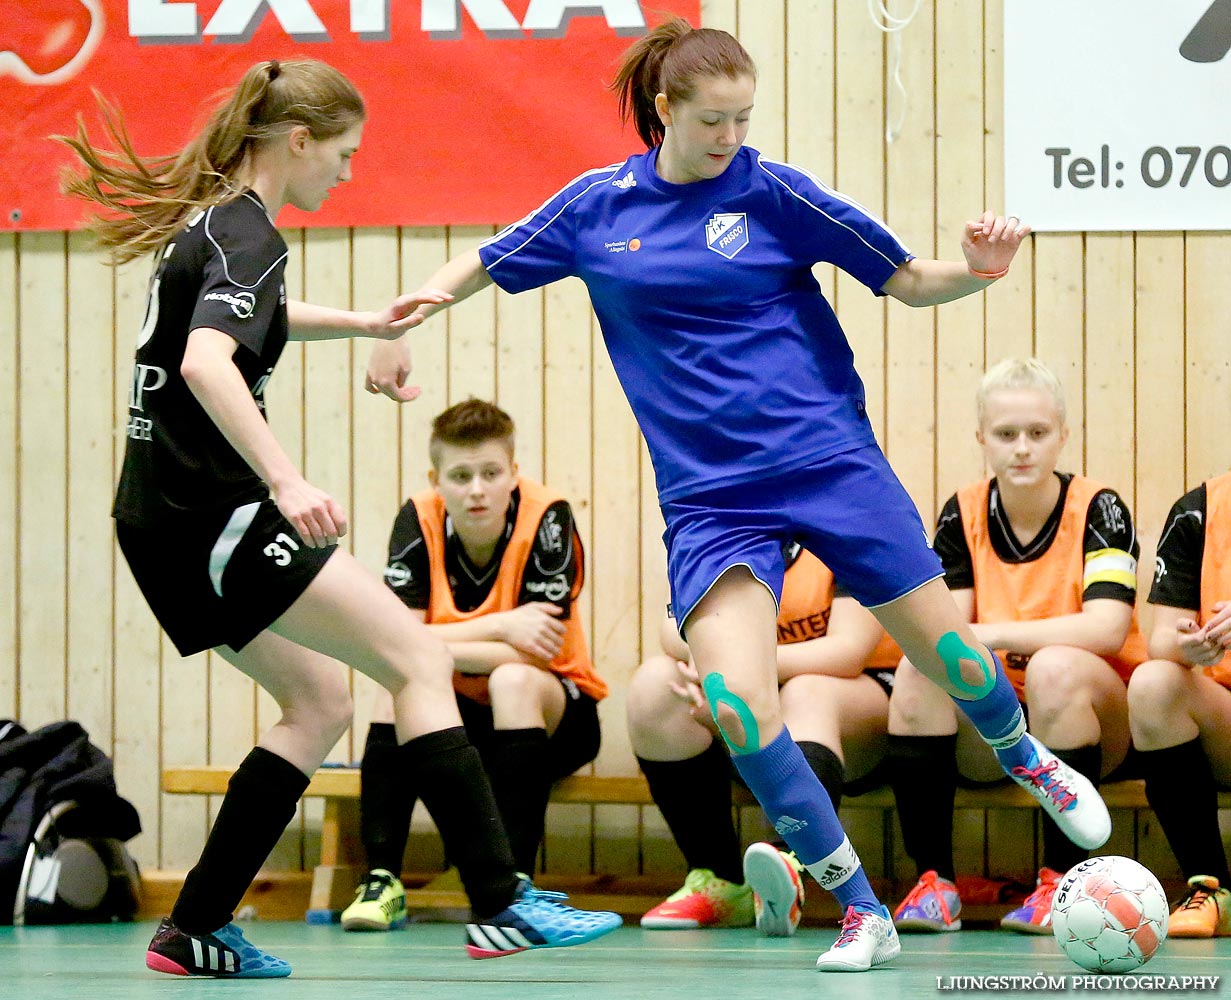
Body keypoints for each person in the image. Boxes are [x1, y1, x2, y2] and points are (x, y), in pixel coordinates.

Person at [366, 21, 1112, 972]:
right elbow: (482, 258)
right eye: (712, 119)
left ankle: (1026, 760)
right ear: (663, 111)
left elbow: (910, 278)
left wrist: (975, 270)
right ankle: (857, 907)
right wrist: (402, 320)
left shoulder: (774, 191)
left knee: (947, 649)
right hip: (711, 500)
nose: (729, 136)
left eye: (743, 118)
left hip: (828, 461)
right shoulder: (597, 208)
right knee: (735, 703)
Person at [57, 58, 619, 978]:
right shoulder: (249, 233)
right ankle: (500, 900)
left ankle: (193, 924)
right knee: (419, 658)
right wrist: (284, 480)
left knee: (318, 700)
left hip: (162, 519)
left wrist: (367, 324)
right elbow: (207, 362)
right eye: (344, 154)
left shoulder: (217, 226)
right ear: (299, 139)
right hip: (212, 515)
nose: (349, 173)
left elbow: (253, 322)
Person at [886, 358, 1145, 936]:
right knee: (916, 670)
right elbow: (950, 635)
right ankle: (934, 884)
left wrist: (996, 634)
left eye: (1037, 433)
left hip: (1103, 720)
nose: (1022, 448)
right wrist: (972, 641)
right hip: (1004, 721)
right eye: (1006, 435)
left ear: (1063, 435)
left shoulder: (1100, 506)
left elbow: (1106, 628)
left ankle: (1063, 882)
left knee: (1055, 668)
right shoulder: (964, 510)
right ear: (983, 440)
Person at [341, 398, 607, 931]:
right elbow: (393, 645)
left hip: (555, 714)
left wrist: (427, 644)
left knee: (511, 677)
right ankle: (382, 880)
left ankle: (513, 885)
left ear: (514, 474)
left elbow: (534, 653)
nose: (477, 489)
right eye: (460, 476)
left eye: (491, 473)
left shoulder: (547, 516)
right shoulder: (418, 517)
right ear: (436, 480)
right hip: (457, 723)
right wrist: (501, 626)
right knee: (392, 685)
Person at [629, 541, 898, 936]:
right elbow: (672, 630)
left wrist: (740, 673)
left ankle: (789, 863)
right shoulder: (713, 527)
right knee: (655, 686)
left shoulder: (833, 521)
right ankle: (720, 882)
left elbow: (847, 652)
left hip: (857, 707)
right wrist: (727, 679)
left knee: (807, 690)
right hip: (761, 700)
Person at [1127, 471, 1231, 938]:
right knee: (1154, 683)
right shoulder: (1201, 508)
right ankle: (1211, 888)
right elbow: (1164, 638)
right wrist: (1191, 646)